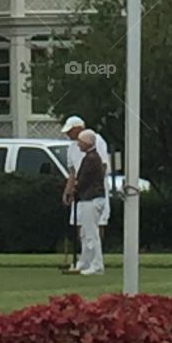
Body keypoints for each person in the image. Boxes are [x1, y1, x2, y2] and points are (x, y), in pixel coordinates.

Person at [62, 115, 112, 251]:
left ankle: (95, 256)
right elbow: (72, 172)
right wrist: (68, 191)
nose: (67, 134)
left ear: (79, 128)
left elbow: (102, 166)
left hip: (95, 191)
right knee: (79, 224)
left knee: (97, 223)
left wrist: (87, 185)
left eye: (70, 131)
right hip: (80, 190)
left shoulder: (97, 141)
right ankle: (85, 256)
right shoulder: (72, 147)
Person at [71, 130, 106, 275]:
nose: (78, 144)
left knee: (91, 234)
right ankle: (85, 261)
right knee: (85, 233)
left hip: (91, 199)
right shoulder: (90, 157)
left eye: (80, 141)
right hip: (87, 198)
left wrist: (75, 189)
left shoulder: (92, 159)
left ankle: (97, 265)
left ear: (87, 143)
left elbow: (84, 179)